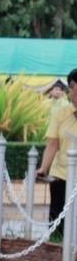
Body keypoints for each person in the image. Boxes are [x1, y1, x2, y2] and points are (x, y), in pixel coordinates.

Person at [37, 67, 77, 227]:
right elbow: (53, 144)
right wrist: (43, 168)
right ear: (71, 89)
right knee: (57, 224)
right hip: (62, 174)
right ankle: (54, 250)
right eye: (73, 87)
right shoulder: (61, 113)